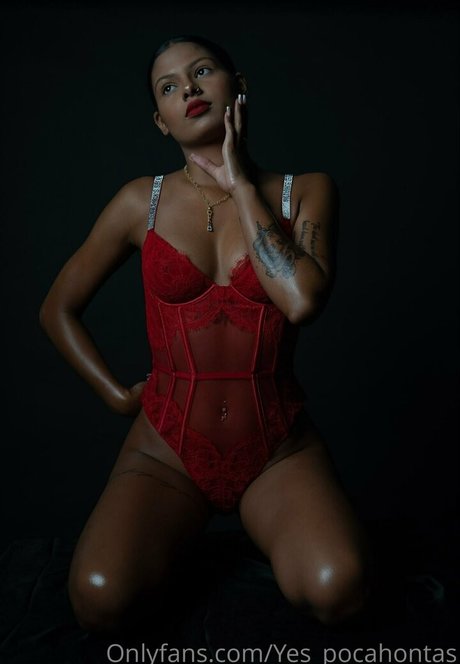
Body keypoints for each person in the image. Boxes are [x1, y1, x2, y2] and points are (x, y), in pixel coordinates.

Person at [39, 34, 374, 636]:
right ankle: (171, 537)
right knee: (100, 599)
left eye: (202, 71)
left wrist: (240, 184)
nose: (188, 89)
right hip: (165, 451)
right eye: (169, 87)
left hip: (277, 448)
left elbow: (301, 301)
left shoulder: (306, 190)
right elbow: (56, 309)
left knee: (338, 589)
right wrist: (116, 395)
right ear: (161, 121)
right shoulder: (140, 202)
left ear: (237, 86)